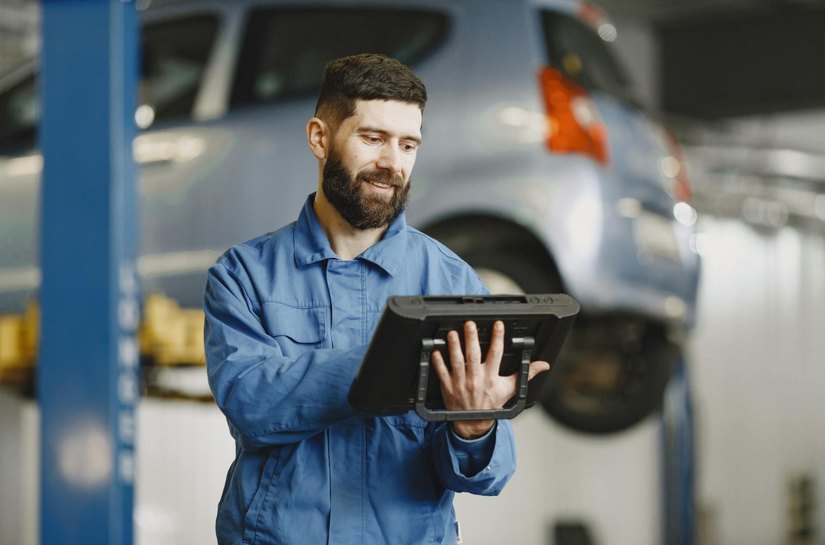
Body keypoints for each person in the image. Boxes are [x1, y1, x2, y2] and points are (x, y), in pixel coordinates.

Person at [204, 53, 549, 545]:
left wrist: (474, 428)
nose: (393, 163)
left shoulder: (451, 282)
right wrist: (387, 357)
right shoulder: (244, 275)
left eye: (408, 144)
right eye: (373, 138)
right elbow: (251, 404)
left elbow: (487, 475)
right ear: (320, 138)